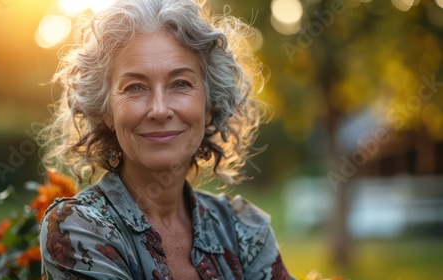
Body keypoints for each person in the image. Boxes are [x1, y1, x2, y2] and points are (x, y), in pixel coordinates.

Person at [38, 0, 294, 279]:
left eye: (180, 84)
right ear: (106, 111)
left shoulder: (244, 228)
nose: (159, 109)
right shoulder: (77, 229)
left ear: (209, 106)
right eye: (135, 87)